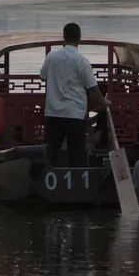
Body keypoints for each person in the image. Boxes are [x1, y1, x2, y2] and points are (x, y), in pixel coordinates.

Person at [39, 23, 109, 168]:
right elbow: (93, 89)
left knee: (51, 151)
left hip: (53, 113)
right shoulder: (82, 61)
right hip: (75, 114)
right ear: (80, 39)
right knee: (76, 153)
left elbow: (43, 76)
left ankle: (45, 180)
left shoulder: (52, 57)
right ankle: (77, 182)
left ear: (63, 37)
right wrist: (104, 102)